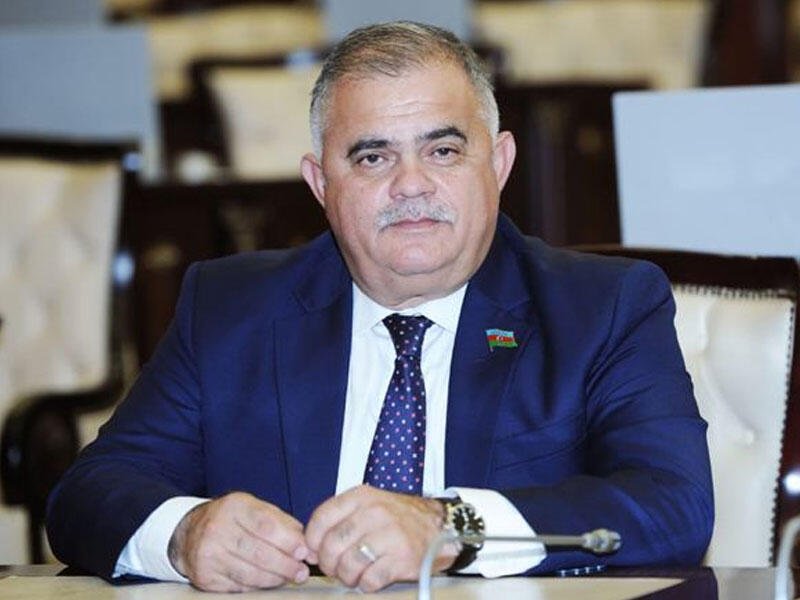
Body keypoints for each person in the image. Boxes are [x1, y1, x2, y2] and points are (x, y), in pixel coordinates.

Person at [46, 21, 713, 593]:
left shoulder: (602, 307)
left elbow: (673, 504)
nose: (411, 185)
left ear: (500, 163)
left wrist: (450, 527)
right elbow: (89, 492)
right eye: (372, 158)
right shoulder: (229, 309)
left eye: (443, 151)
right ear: (320, 184)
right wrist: (184, 535)